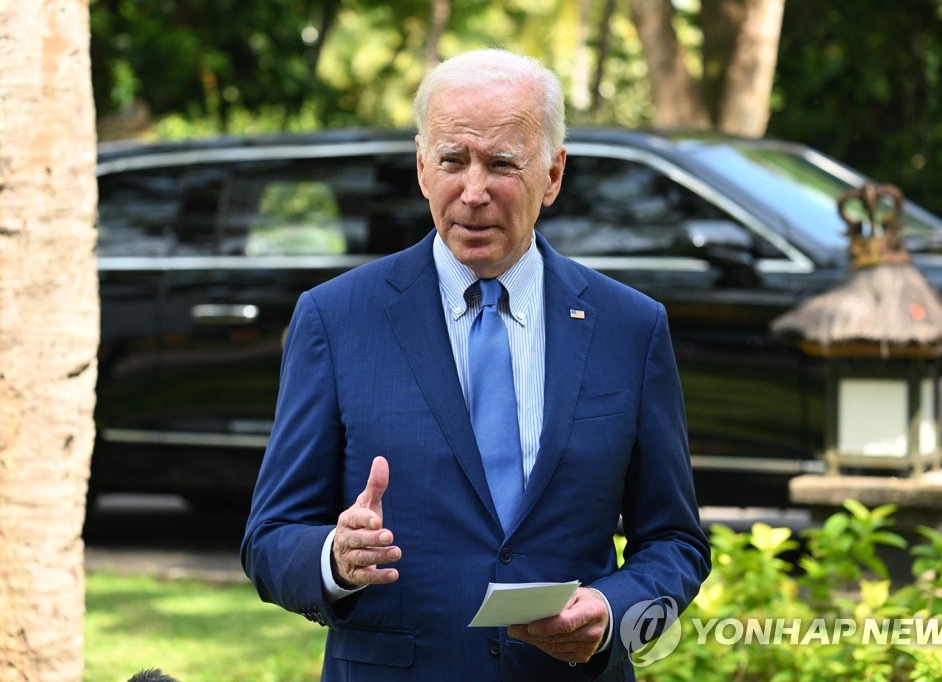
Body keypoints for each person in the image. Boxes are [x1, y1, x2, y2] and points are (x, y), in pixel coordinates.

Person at [241, 48, 710, 681]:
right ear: (421, 166)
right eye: (452, 160)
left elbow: (675, 541)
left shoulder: (630, 327)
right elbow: (270, 536)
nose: (473, 191)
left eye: (502, 164)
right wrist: (334, 556)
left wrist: (612, 610)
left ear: (552, 174)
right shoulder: (336, 318)